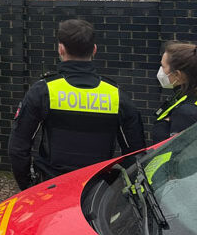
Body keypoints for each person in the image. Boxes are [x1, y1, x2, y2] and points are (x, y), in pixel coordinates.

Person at [8, 19, 146, 192]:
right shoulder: (117, 96)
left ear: (61, 49)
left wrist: (28, 187)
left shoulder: (43, 91)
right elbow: (136, 154)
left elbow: (18, 148)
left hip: (51, 188)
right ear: (94, 50)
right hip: (97, 193)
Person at [152, 42, 197, 143]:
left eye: (163, 66)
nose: (161, 71)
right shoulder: (185, 95)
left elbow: (179, 155)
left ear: (177, 75)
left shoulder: (186, 113)